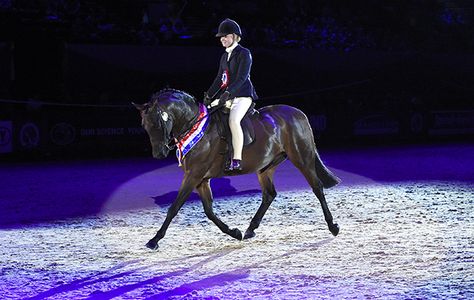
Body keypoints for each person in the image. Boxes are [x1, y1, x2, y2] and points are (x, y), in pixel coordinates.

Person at [204, 18, 258, 171]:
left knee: (233, 120)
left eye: (225, 36)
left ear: (234, 36)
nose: (222, 39)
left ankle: (237, 159)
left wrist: (227, 93)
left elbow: (242, 78)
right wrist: (209, 96)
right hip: (227, 96)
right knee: (214, 117)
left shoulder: (244, 53)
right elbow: (219, 79)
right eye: (221, 37)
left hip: (243, 96)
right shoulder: (224, 56)